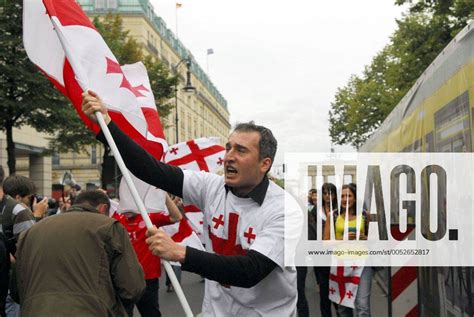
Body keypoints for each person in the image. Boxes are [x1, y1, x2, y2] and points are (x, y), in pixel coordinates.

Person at [82, 90, 303, 316]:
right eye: (228, 147)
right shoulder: (210, 186)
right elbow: (151, 170)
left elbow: (251, 271)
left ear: (264, 164)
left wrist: (180, 252)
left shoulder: (284, 209)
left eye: (241, 150)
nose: (229, 157)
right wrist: (107, 125)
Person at [15, 190, 145, 316]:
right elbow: (132, 288)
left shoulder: (30, 233)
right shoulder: (109, 227)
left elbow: (17, 290)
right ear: (102, 208)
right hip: (91, 311)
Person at [113, 184, 182, 317]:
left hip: (148, 277)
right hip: (125, 278)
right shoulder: (117, 219)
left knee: (151, 313)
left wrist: (164, 195)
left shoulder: (148, 217)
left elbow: (176, 217)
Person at [324, 183, 372, 317]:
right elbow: (325, 243)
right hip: (340, 264)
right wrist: (343, 239)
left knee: (362, 307)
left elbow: (375, 239)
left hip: (362, 263)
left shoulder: (364, 215)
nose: (346, 199)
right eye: (343, 196)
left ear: (355, 198)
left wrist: (365, 238)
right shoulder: (332, 216)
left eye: (349, 196)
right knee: (343, 307)